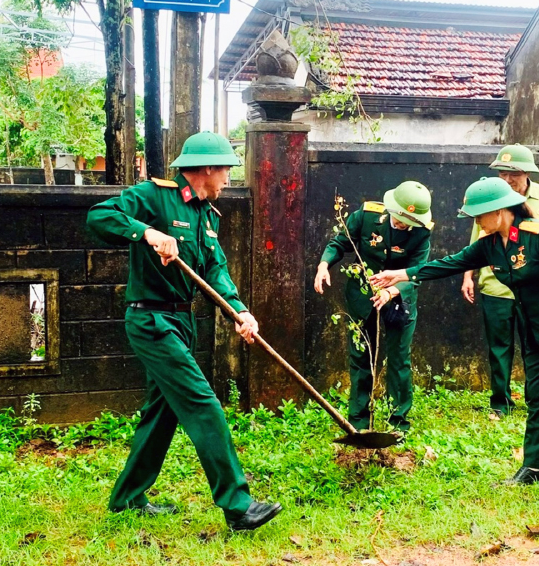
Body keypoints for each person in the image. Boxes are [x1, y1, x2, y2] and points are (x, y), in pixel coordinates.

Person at [87, 131, 282, 530]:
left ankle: (127, 498)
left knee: (161, 412)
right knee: (202, 403)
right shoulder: (155, 197)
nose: (228, 179)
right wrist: (147, 232)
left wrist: (240, 312)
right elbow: (99, 216)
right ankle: (237, 505)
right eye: (226, 170)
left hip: (181, 321)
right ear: (207, 168)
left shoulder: (207, 216)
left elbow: (216, 271)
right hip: (151, 320)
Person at [371, 178, 539, 500]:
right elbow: (452, 263)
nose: (476, 222)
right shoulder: (492, 244)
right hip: (535, 332)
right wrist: (402, 274)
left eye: (479, 216)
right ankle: (535, 467)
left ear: (499, 211)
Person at [314, 181, 434, 433]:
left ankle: (397, 421)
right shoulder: (367, 216)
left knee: (399, 359)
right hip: (362, 296)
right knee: (360, 356)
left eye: (410, 221)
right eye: (400, 218)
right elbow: (340, 243)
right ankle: (358, 420)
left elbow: (418, 272)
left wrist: (392, 291)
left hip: (399, 300)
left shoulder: (422, 232)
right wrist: (324, 265)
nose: (403, 224)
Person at [461, 144, 539, 416]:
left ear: (527, 173)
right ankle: (500, 403)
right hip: (495, 286)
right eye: (502, 173)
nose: (506, 179)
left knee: (535, 347)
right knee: (499, 349)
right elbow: (477, 240)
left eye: (513, 173)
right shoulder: (490, 195)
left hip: (533, 291)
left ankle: (536, 401)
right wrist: (468, 276)